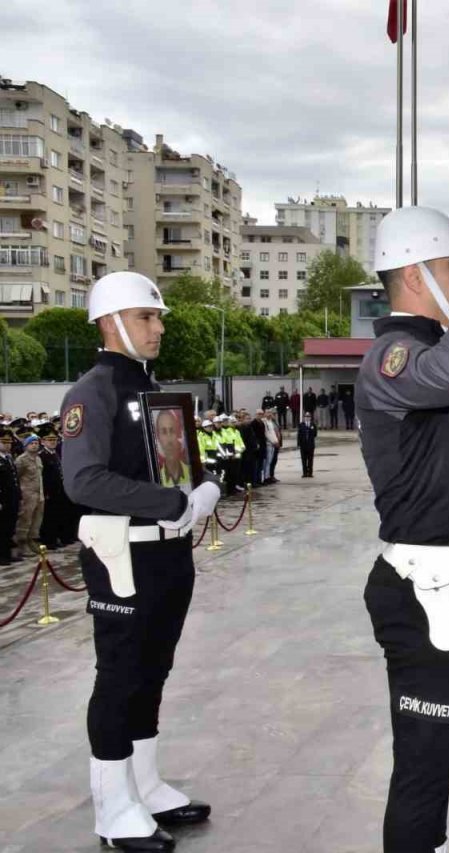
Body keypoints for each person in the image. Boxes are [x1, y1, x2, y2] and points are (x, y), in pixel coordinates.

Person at [356, 206, 449, 853]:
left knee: (442, 758)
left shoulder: (432, 352)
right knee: (423, 770)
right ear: (418, 274)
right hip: (428, 595)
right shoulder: (397, 352)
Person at [60, 271, 222, 851]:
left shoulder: (153, 392)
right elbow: (84, 479)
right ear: (109, 323)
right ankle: (112, 806)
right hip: (121, 556)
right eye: (145, 317)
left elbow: (170, 465)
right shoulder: (92, 391)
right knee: (120, 677)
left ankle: (144, 784)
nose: (157, 327)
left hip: (167, 553)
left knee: (154, 671)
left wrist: (204, 487)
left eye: (157, 317)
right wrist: (174, 500)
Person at [38, 426, 72, 549]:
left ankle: (57, 537)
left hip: (59, 489)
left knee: (59, 514)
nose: (53, 441)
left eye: (54, 439)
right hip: (49, 491)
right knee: (49, 517)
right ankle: (49, 540)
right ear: (43, 441)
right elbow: (42, 476)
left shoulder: (55, 454)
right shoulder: (42, 455)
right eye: (49, 439)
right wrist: (45, 491)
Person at [15, 435, 45, 558]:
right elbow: (17, 476)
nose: (34, 445)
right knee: (25, 519)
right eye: (31, 443)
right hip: (27, 493)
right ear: (26, 446)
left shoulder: (38, 459)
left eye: (36, 443)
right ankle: (22, 543)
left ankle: (32, 540)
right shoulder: (21, 460)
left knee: (36, 519)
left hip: (39, 493)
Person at [153, 411, 190, 489]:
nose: (169, 440)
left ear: (177, 434)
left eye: (172, 431)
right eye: (164, 432)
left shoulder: (191, 473)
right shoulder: (155, 478)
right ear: (158, 438)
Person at [0, 431, 20, 565]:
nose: (8, 445)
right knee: (2, 527)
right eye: (4, 442)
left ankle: (8, 553)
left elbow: (15, 479)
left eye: (9, 442)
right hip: (2, 498)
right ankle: (2, 556)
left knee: (10, 526)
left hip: (12, 497)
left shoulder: (8, 458)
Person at [262, 410, 281, 484]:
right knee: (267, 462)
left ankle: (268, 476)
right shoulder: (265, 422)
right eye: (268, 413)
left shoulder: (271, 422)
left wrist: (276, 441)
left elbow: (273, 433)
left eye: (271, 413)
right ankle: (266, 477)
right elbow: (267, 434)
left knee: (270, 462)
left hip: (273, 443)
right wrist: (274, 442)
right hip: (268, 444)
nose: (270, 414)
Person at [297, 412, 317, 478]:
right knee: (304, 460)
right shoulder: (301, 424)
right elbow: (299, 435)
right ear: (304, 417)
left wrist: (310, 429)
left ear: (310, 417)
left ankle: (310, 473)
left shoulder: (313, 425)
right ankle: (304, 473)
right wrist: (299, 444)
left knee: (310, 460)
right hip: (303, 445)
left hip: (310, 445)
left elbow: (315, 434)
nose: (307, 417)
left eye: (308, 416)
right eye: (306, 416)